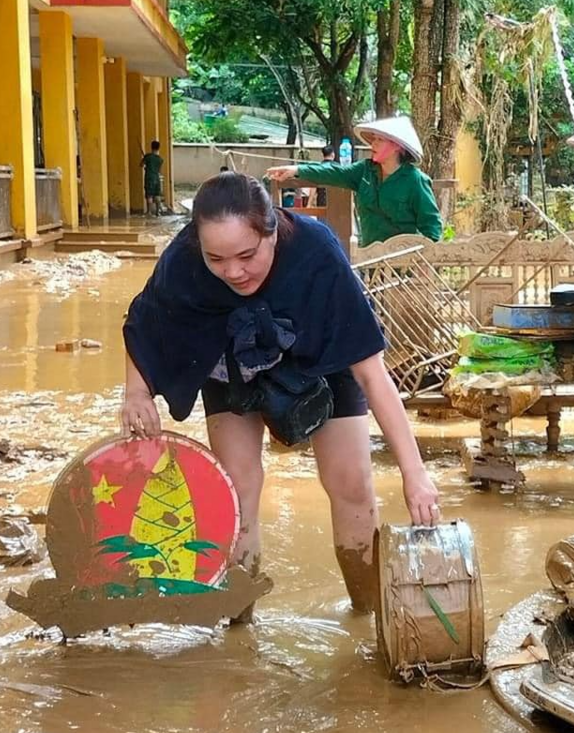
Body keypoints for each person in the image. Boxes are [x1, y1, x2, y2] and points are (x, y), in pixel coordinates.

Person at [121, 172, 441, 610]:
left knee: (351, 485)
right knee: (236, 489)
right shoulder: (183, 260)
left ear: (272, 231)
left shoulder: (317, 253)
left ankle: (367, 611)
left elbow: (371, 374)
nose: (233, 271)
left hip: (321, 360)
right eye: (216, 259)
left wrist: (415, 474)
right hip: (230, 361)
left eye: (247, 255)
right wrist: (136, 393)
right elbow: (144, 324)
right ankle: (237, 622)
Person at [263, 116, 441, 246]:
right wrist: (296, 170)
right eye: (373, 140)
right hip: (370, 259)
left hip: (404, 266)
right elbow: (334, 172)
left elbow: (432, 228)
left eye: (380, 140)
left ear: (397, 146)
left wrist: (425, 266)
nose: (373, 145)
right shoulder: (364, 170)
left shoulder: (415, 181)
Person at [141, 139, 166, 216]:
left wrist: (146, 165)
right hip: (156, 177)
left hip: (149, 177)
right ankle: (157, 212)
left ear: (151, 147)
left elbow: (141, 165)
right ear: (159, 148)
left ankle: (149, 212)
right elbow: (159, 169)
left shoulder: (147, 157)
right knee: (157, 195)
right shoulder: (160, 159)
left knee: (149, 195)